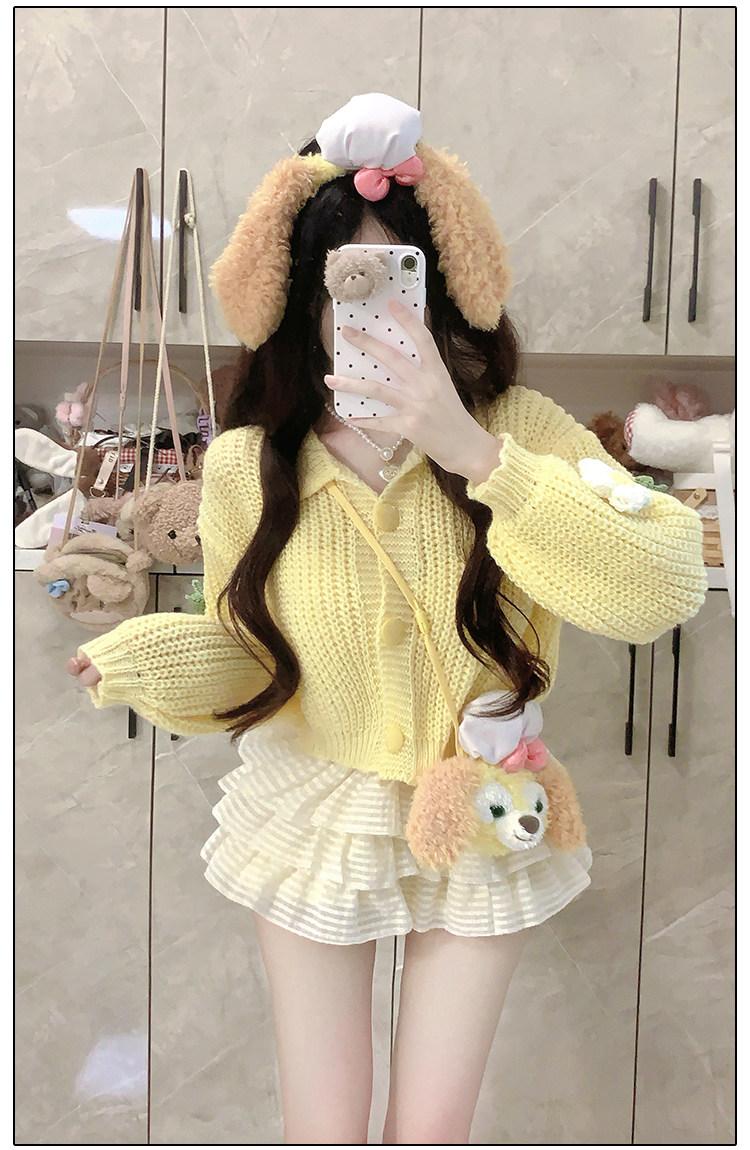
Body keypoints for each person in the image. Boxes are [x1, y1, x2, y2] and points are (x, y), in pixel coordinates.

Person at [67, 94, 708, 1145]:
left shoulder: (521, 430)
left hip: (484, 806)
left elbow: (661, 587)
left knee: (432, 1127)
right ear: (304, 297)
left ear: (444, 284)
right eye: (347, 279)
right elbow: (249, 657)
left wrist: (475, 453)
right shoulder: (250, 463)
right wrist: (143, 659)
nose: (376, 308)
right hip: (316, 809)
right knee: (322, 1126)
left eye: (399, 274)